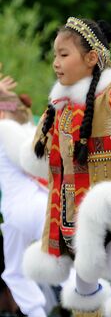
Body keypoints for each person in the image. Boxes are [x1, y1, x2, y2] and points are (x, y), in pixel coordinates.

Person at [19, 17, 111, 317]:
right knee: (86, 276)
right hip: (71, 208)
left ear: (91, 59)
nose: (56, 63)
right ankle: (90, 294)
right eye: (55, 55)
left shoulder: (109, 93)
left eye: (64, 54)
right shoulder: (58, 108)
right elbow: (37, 155)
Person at [0, 74, 53, 317]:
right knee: (63, 260)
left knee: (14, 271)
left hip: (17, 209)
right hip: (44, 203)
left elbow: (26, 162)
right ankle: (93, 298)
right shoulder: (30, 130)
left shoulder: (5, 129)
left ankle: (36, 313)